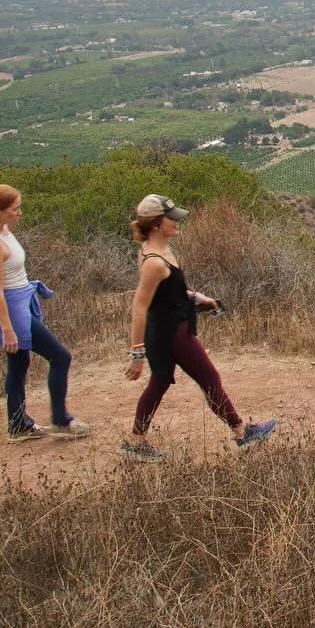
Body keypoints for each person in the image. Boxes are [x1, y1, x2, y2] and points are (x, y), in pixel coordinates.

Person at [124, 195, 277, 462]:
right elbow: (139, 307)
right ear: (157, 224)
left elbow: (167, 293)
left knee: (159, 384)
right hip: (171, 334)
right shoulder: (154, 262)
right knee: (209, 378)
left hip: (169, 329)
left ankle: (136, 440)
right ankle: (241, 431)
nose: (177, 222)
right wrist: (137, 353)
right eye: (172, 218)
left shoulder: (157, 249)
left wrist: (198, 298)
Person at [0, 184, 92, 443]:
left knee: (19, 365)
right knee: (60, 356)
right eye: (15, 209)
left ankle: (19, 425)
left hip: (21, 301)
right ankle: (60, 420)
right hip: (10, 308)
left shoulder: (3, 229)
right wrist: (7, 329)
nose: (20, 213)